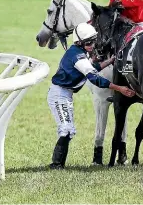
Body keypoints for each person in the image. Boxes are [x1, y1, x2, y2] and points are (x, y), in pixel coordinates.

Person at [47, 22, 135, 169]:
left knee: (69, 130)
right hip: (59, 94)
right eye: (88, 43)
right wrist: (118, 88)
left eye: (93, 41)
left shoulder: (80, 52)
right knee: (66, 129)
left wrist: (110, 61)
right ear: (79, 42)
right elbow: (95, 78)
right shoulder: (78, 56)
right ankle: (56, 164)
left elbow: (92, 67)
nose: (92, 45)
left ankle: (58, 164)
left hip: (65, 94)